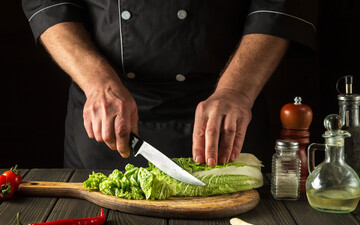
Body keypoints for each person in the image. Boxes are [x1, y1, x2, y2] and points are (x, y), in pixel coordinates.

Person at [22, 1, 317, 170]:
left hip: (224, 116)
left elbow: (280, 3)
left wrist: (237, 90)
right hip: (107, 118)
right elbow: (48, 2)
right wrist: (96, 81)